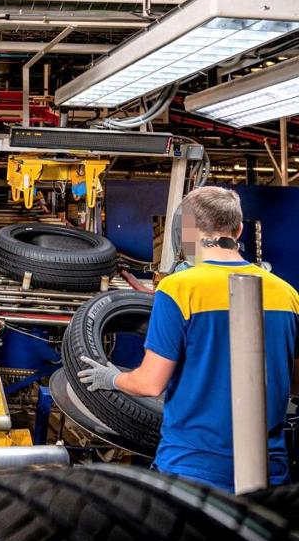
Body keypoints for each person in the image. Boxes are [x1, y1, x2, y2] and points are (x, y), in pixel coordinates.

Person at [78, 186, 299, 491]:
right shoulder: (286, 294)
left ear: (187, 231)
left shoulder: (179, 289)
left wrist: (112, 378)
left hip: (194, 469)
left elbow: (149, 383)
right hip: (270, 470)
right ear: (238, 229)